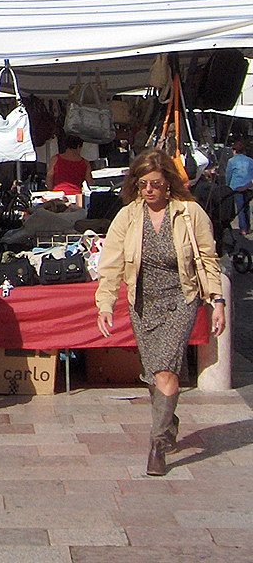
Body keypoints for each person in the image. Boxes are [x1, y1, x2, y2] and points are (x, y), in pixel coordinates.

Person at [96, 149, 225, 476]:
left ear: (168, 182)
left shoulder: (189, 213)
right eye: (143, 184)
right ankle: (168, 421)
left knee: (166, 372)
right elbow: (110, 264)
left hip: (180, 299)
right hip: (142, 304)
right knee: (155, 376)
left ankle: (157, 445)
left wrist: (217, 301)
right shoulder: (128, 216)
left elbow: (208, 259)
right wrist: (106, 303)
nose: (149, 190)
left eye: (155, 183)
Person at [225, 138, 252, 234]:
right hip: (249, 186)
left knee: (240, 208)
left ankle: (243, 228)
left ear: (234, 150)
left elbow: (228, 174)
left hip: (237, 187)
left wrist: (227, 186)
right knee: (247, 206)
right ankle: (248, 226)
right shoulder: (250, 160)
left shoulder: (231, 161)